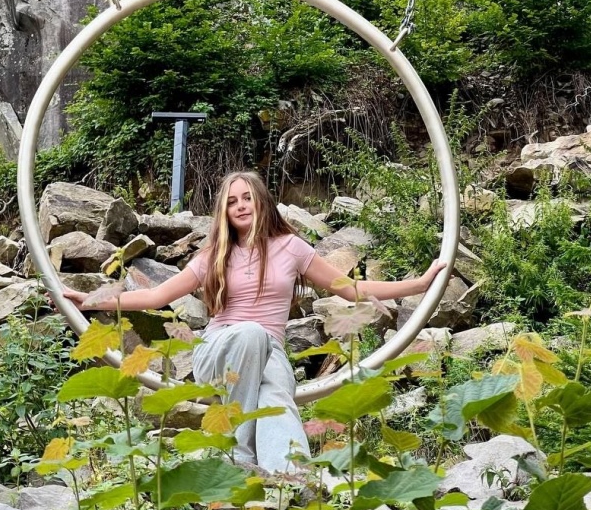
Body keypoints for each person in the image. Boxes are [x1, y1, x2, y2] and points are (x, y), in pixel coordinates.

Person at [63, 170, 447, 474]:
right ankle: (239, 456)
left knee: (276, 395)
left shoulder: (291, 248)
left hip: (270, 352)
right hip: (220, 351)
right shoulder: (215, 254)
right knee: (251, 333)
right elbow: (155, 296)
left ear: (261, 201)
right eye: (232, 202)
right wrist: (90, 300)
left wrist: (419, 284)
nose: (241, 206)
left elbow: (350, 289)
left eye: (247, 197)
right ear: (224, 212)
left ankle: (292, 479)